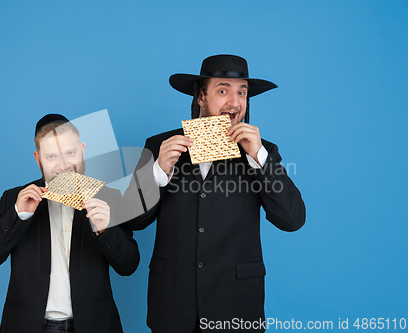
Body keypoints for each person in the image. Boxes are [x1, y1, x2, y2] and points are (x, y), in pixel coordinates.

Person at [125, 55, 306, 332]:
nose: (234, 102)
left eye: (242, 92)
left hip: (236, 306)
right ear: (201, 96)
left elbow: (292, 220)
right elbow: (133, 222)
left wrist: (259, 157)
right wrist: (158, 172)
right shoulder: (159, 145)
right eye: (223, 91)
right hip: (173, 306)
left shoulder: (262, 151)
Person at [0, 114, 139, 333]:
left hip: (93, 324)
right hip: (28, 326)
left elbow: (129, 266)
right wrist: (18, 215)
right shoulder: (13, 199)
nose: (63, 166)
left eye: (70, 153)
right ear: (38, 158)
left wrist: (105, 229)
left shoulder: (107, 196)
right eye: (51, 156)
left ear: (82, 150)